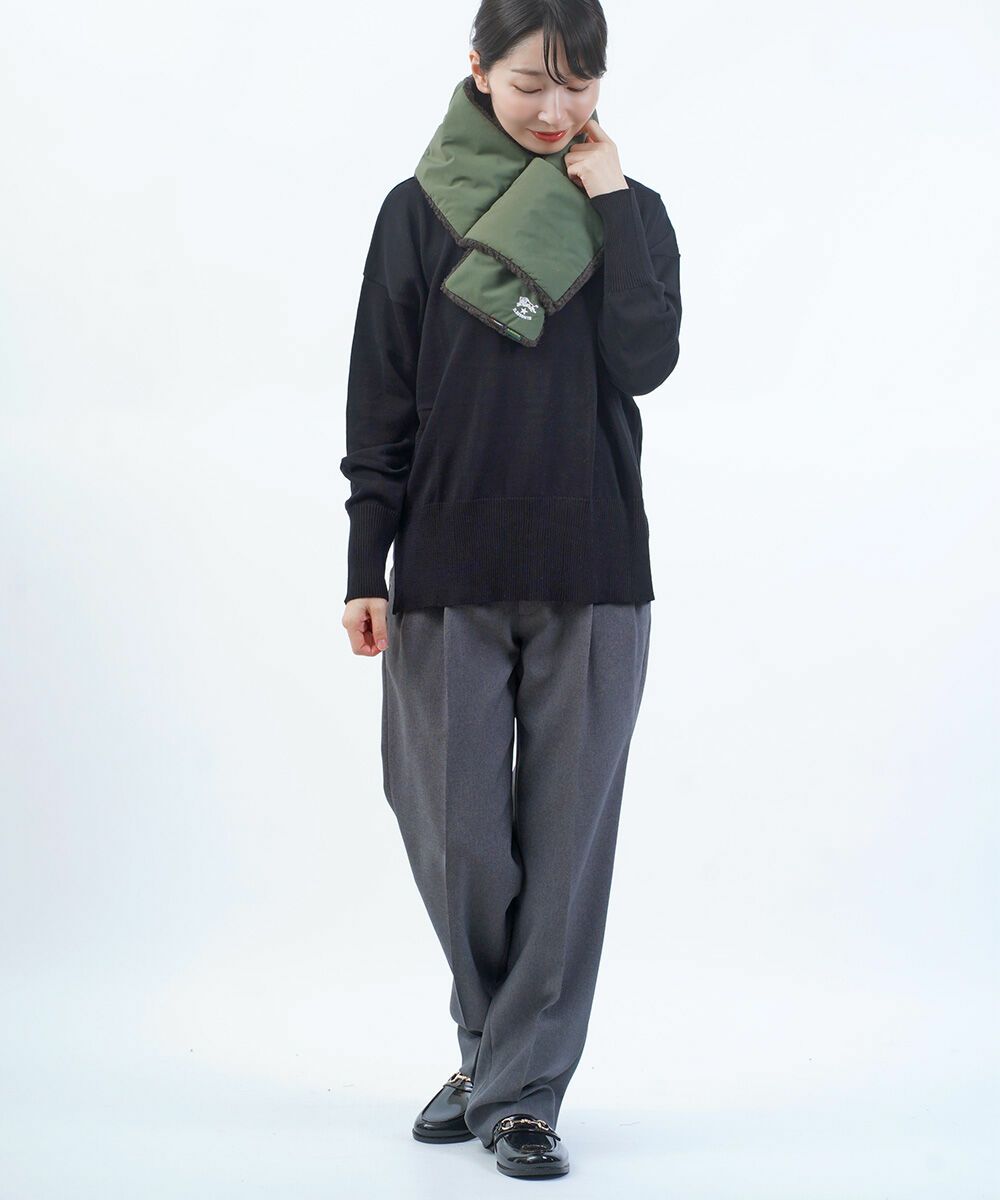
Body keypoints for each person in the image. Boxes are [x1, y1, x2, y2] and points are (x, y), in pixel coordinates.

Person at [339, 0, 681, 1180]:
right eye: (532, 81)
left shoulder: (630, 213)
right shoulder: (417, 212)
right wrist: (364, 563)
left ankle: (520, 1091)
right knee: (457, 839)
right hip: (445, 565)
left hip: (594, 568)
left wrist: (612, 203)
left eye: (579, 84)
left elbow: (645, 360)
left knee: (565, 851)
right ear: (477, 68)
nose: (555, 108)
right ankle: (496, 1059)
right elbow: (380, 398)